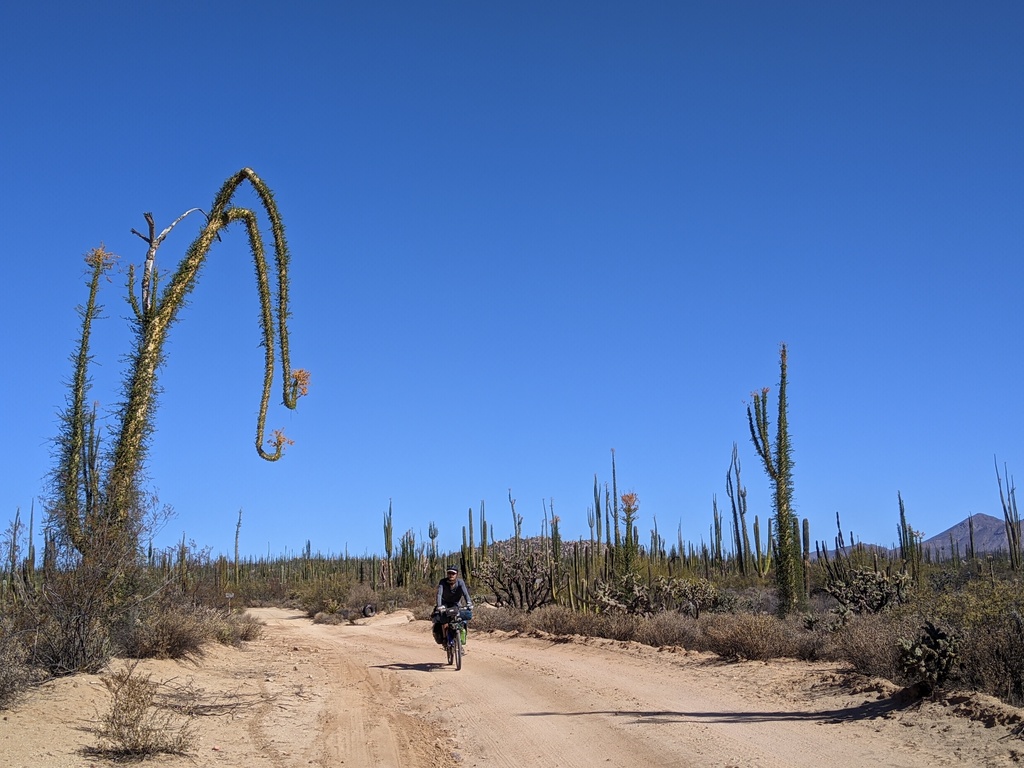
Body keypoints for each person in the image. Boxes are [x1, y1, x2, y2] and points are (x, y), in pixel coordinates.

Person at [432, 565, 473, 648]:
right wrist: (439, 606)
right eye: (449, 573)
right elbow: (439, 594)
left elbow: (465, 593)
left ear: (456, 574)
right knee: (444, 620)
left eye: (453, 573)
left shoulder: (460, 582)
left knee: (462, 620)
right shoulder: (443, 582)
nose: (451, 575)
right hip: (444, 603)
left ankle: (460, 642)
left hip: (456, 603)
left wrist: (469, 603)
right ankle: (444, 639)